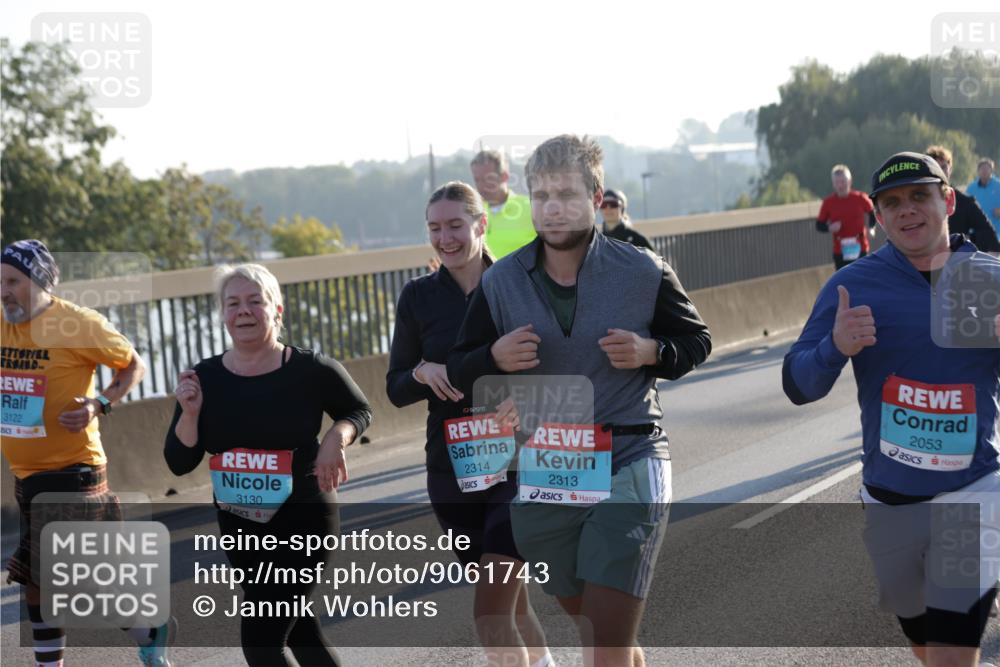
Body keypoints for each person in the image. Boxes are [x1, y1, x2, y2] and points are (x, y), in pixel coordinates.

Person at [449, 135, 711, 667]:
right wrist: (494, 362)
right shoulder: (500, 281)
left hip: (630, 460)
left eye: (566, 193)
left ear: (594, 197)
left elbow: (696, 342)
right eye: (541, 194)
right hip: (549, 472)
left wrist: (650, 350)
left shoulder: (642, 270)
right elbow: (463, 369)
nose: (552, 206)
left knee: (602, 650)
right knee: (604, 635)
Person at [783, 152, 1000, 666]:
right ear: (877, 216)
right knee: (929, 650)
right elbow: (798, 385)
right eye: (893, 203)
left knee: (950, 655)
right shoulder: (851, 285)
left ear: (947, 199)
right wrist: (833, 347)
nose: (908, 211)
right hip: (890, 500)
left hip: (974, 494)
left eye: (920, 196)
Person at [163, 263, 372, 667]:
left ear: (277, 309)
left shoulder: (310, 369)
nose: (243, 311)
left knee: (261, 641)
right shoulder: (205, 377)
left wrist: (336, 437)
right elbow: (178, 462)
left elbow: (359, 409)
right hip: (241, 525)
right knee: (302, 634)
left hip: (305, 517)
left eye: (255, 301)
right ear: (223, 315)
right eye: (233, 303)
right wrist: (189, 413)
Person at [387, 181, 553, 667]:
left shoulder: (521, 284)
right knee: (509, 599)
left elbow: (558, 363)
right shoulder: (417, 297)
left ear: (480, 224)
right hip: (451, 466)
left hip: (520, 464)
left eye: (456, 225)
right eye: (435, 228)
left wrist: (527, 400)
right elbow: (396, 386)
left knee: (492, 610)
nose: (446, 238)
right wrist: (421, 371)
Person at [0, 240, 170, 666]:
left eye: (12, 281)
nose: (3, 290)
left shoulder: (77, 324)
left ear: (40, 282)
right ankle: (148, 632)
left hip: (76, 470)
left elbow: (132, 364)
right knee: (52, 579)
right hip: (28, 474)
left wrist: (100, 404)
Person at [925, 146, 1000, 254]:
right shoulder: (914, 200)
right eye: (935, 167)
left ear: (950, 169)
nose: (940, 171)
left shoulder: (964, 201)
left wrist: (964, 241)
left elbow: (988, 234)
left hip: (955, 264)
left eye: (944, 167)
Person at [471, 149, 538, 259]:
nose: (481, 186)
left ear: (505, 176)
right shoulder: (473, 214)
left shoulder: (531, 207)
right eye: (477, 180)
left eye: (488, 179)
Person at [815, 164, 877, 269]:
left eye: (843, 181)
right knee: (842, 282)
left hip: (860, 248)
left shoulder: (860, 198)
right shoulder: (828, 203)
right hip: (840, 250)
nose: (840, 186)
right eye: (837, 182)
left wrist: (871, 228)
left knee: (861, 279)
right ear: (833, 184)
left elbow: (873, 213)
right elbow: (819, 225)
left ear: (850, 181)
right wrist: (830, 228)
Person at [967, 158, 1000, 236]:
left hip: (997, 232)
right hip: (976, 233)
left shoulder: (998, 185)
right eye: (982, 168)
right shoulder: (971, 188)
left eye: (987, 168)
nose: (984, 171)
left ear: (992, 170)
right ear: (978, 171)